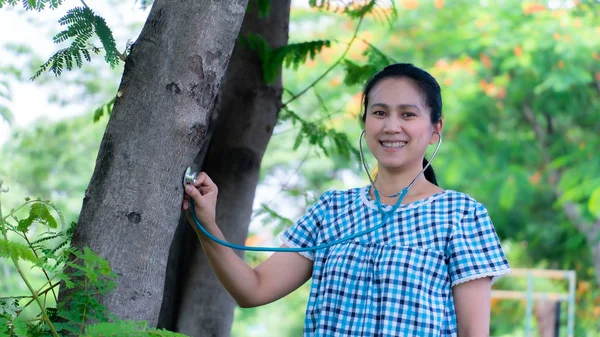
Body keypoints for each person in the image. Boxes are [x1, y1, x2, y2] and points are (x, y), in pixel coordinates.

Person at [182, 63, 511, 337]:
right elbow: (253, 289)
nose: (391, 126)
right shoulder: (332, 210)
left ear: (435, 129)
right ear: (366, 123)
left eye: (408, 115)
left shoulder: (462, 215)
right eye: (379, 112)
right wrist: (206, 223)